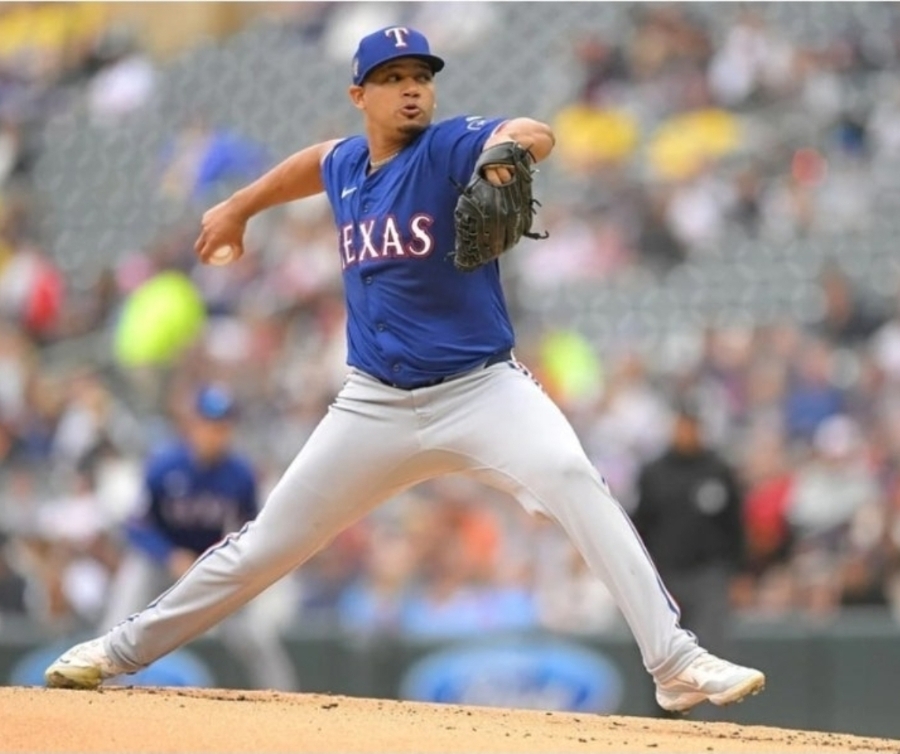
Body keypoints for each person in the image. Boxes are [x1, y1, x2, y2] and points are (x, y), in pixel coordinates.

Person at [45, 26, 765, 714]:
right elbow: (315, 161)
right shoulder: (346, 166)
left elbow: (534, 131)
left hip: (482, 390)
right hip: (374, 405)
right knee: (264, 545)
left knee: (575, 478)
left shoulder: (447, 147)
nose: (412, 88)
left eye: (420, 76)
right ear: (359, 95)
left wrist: (506, 152)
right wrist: (239, 206)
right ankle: (119, 651)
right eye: (392, 79)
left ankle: (674, 663)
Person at [99, 384, 298, 690]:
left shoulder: (240, 474)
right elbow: (137, 526)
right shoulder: (165, 464)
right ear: (194, 424)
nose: (215, 433)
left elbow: (252, 528)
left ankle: (283, 698)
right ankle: (98, 688)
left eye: (223, 426)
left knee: (253, 633)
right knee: (118, 618)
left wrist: (221, 559)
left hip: (206, 563)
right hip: (159, 561)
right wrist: (169, 555)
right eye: (209, 424)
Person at [631, 398, 746, 673]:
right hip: (665, 576)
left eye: (693, 426)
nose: (687, 432)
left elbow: (735, 526)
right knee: (664, 653)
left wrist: (740, 574)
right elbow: (641, 526)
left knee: (712, 650)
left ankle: (709, 703)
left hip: (709, 575)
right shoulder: (654, 473)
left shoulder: (718, 470)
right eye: (683, 425)